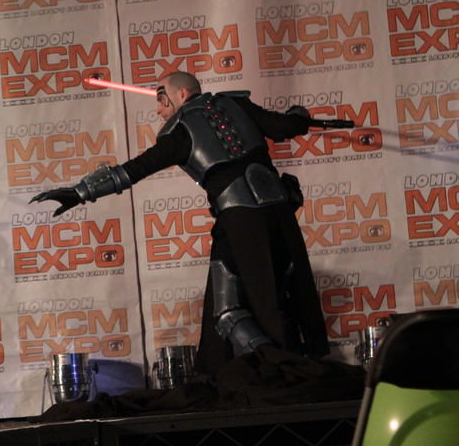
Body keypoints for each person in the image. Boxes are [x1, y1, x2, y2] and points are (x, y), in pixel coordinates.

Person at [31, 71, 333, 373]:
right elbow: (285, 126)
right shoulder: (236, 104)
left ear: (182, 95)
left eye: (161, 98)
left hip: (242, 223)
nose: (158, 108)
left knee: (254, 304)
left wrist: (79, 193)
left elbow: (135, 169)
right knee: (251, 299)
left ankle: (276, 364)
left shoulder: (180, 132)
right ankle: (267, 364)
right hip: (276, 213)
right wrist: (300, 114)